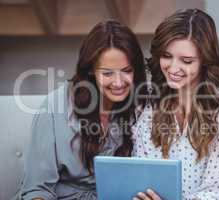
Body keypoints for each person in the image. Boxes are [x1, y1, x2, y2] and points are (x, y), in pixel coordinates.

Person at [18, 20, 147, 200]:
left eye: (126, 70)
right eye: (107, 73)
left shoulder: (142, 107)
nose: (118, 83)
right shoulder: (56, 107)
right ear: (91, 71)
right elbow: (37, 189)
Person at [132, 9, 219, 200]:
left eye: (186, 61)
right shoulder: (149, 104)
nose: (173, 68)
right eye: (166, 56)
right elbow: (142, 172)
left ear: (205, 61)